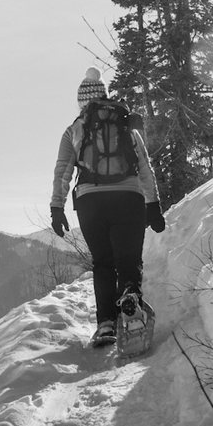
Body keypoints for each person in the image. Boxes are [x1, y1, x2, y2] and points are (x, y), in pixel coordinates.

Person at [50, 68, 165, 345]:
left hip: (91, 202)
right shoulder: (125, 123)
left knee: (103, 263)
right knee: (128, 261)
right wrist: (153, 204)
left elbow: (63, 171)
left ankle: (105, 325)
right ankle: (130, 298)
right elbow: (144, 167)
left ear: (82, 102)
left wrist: (57, 207)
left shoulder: (74, 129)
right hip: (129, 197)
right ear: (105, 96)